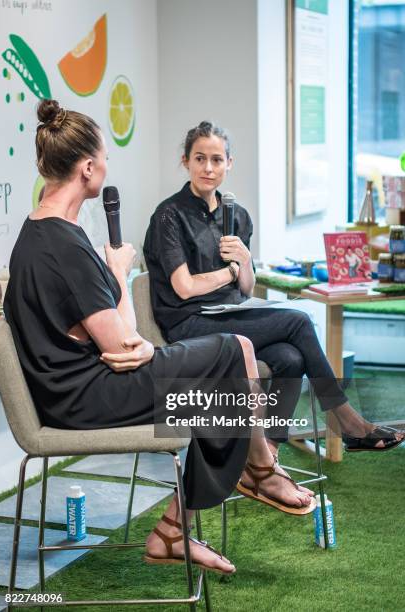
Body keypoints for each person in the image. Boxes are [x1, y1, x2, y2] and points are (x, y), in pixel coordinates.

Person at [4, 101, 316, 579]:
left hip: (76, 389)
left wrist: (115, 280)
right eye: (104, 156)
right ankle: (254, 473)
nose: (106, 165)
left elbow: (111, 338)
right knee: (237, 351)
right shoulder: (63, 246)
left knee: (229, 380)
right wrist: (121, 280)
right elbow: (125, 347)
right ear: (88, 168)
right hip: (85, 398)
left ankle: (184, 522)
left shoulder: (37, 231)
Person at [133, 121, 403, 460]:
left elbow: (245, 289)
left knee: (290, 357)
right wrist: (229, 270)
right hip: (189, 323)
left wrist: (244, 263)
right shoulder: (168, 216)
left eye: (217, 160)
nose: (208, 167)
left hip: (231, 315)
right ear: (185, 161)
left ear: (229, 163)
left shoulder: (238, 216)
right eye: (200, 158)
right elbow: (184, 288)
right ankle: (346, 420)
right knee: (299, 320)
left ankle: (269, 454)